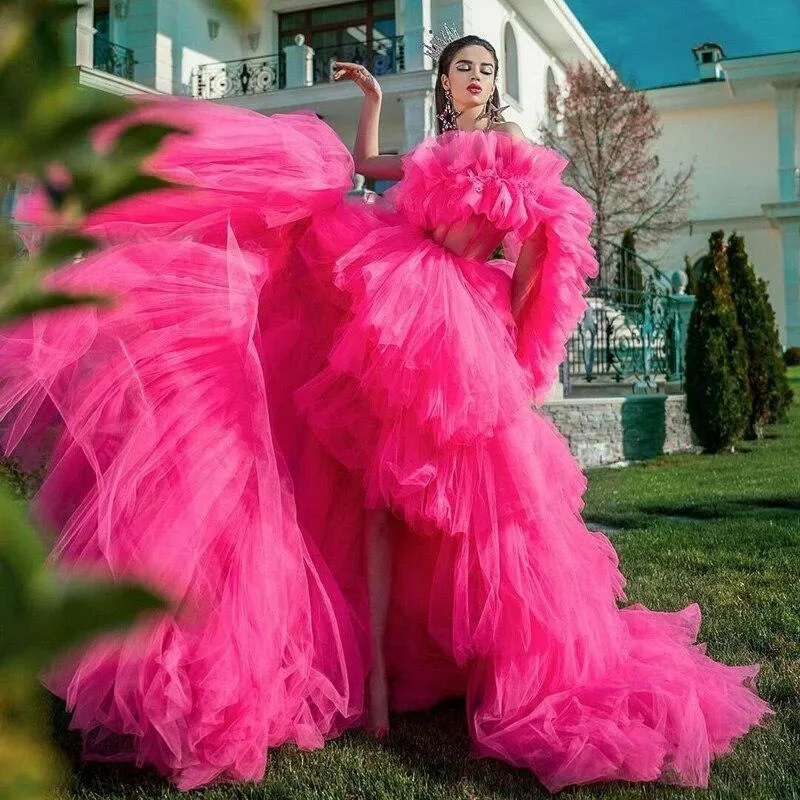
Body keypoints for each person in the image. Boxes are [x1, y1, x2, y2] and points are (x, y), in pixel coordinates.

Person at [0, 32, 770, 794]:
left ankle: (495, 666)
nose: (474, 77)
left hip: (458, 324)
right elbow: (373, 172)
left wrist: (516, 326)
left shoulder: (508, 142)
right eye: (463, 67)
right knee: (373, 499)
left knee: (472, 508)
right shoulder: (437, 146)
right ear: (444, 80)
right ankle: (371, 686)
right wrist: (369, 102)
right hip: (398, 308)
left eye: (485, 69)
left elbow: (543, 238)